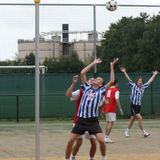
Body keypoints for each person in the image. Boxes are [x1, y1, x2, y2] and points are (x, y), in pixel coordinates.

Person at [65, 58, 118, 160]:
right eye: (95, 78)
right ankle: (68, 158)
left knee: (101, 141)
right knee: (70, 141)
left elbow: (112, 81)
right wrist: (93, 63)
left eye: (98, 79)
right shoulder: (86, 87)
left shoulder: (101, 90)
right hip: (80, 120)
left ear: (100, 84)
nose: (96, 79)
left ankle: (103, 157)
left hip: (92, 121)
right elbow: (82, 72)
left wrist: (111, 65)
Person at [120, 66, 158, 138]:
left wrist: (154, 75)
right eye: (139, 81)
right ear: (137, 81)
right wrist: (124, 72)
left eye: (141, 81)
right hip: (133, 105)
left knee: (132, 120)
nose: (140, 82)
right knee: (140, 118)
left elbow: (149, 81)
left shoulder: (143, 87)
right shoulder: (134, 86)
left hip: (138, 105)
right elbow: (129, 79)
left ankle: (126, 131)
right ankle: (144, 132)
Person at [65, 75, 97, 160]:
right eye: (90, 80)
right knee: (78, 142)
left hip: (91, 121)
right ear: (87, 82)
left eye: (94, 80)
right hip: (79, 121)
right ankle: (72, 156)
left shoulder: (97, 93)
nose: (92, 81)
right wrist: (73, 83)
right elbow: (68, 94)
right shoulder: (81, 91)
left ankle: (91, 158)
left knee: (94, 142)